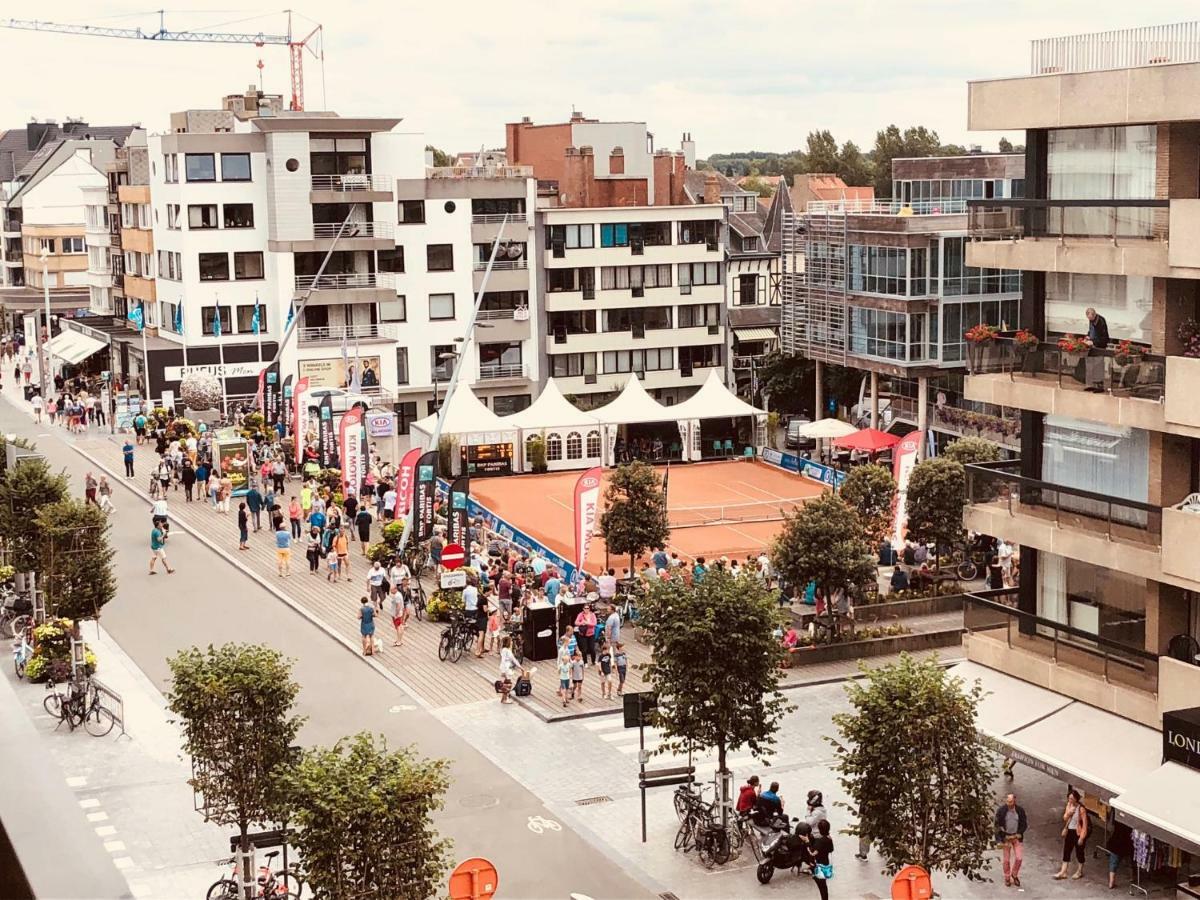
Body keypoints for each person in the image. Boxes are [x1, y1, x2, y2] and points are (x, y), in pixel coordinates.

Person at [1055, 788, 1089, 880]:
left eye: (1072, 798)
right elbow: (1065, 818)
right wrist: (1069, 813)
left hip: (1078, 832)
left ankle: (1079, 871)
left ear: (1076, 799)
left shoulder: (1081, 809)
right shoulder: (1069, 805)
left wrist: (1082, 837)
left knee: (1079, 852)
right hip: (1070, 830)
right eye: (1069, 798)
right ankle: (1063, 871)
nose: (1070, 800)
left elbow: (1085, 825)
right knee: (1066, 850)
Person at [995, 792, 1028, 888]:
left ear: (1014, 801)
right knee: (1006, 860)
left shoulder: (1020, 810)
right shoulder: (1001, 811)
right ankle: (1007, 877)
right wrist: (999, 840)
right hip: (1006, 838)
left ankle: (1014, 874)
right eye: (1008, 802)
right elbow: (997, 826)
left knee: (1019, 858)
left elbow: (1024, 824)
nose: (1009, 804)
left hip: (1016, 836)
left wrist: (1019, 833)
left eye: (1011, 802)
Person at [810, 819, 834, 900]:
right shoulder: (829, 839)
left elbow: (813, 853)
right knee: (823, 884)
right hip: (826, 862)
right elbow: (831, 849)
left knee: (821, 885)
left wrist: (807, 843)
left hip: (819, 864)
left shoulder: (819, 841)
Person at [498, 635, 523, 705]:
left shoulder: (506, 650)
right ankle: (504, 699)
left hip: (507, 668)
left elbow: (514, 660)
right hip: (506, 669)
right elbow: (504, 661)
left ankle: (503, 698)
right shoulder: (505, 651)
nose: (512, 643)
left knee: (506, 683)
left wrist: (520, 667)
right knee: (508, 684)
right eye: (511, 642)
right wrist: (503, 671)